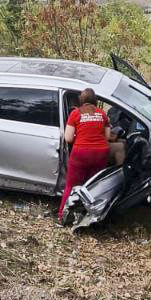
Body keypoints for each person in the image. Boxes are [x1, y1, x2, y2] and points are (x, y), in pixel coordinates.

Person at [59, 87, 116, 221]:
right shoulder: (102, 114)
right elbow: (107, 136)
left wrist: (79, 133)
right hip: (100, 153)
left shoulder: (75, 113)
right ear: (95, 101)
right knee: (93, 186)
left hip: (81, 153)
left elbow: (68, 138)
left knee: (71, 185)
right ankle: (90, 217)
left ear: (81, 100)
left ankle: (63, 216)